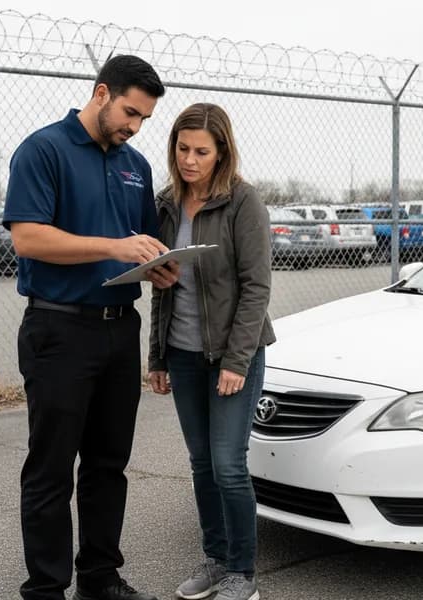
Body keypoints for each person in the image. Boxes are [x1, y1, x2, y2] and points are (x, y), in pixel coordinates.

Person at [3, 54, 178, 600]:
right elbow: (28, 238)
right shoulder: (44, 149)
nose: (135, 126)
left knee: (108, 464)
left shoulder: (136, 166)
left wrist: (161, 268)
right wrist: (112, 246)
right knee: (51, 468)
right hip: (59, 330)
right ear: (101, 94)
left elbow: (141, 246)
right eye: (130, 112)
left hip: (119, 330)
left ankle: (100, 578)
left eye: (145, 119)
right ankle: (47, 589)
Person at [148, 103, 275, 600]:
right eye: (182, 149)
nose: (190, 160)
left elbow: (256, 287)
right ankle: (215, 559)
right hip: (181, 353)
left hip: (231, 355)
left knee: (228, 464)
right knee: (201, 463)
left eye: (201, 151)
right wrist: (157, 357)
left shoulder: (243, 203)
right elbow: (162, 286)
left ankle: (242, 573)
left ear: (222, 151)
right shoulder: (167, 205)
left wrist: (236, 361)